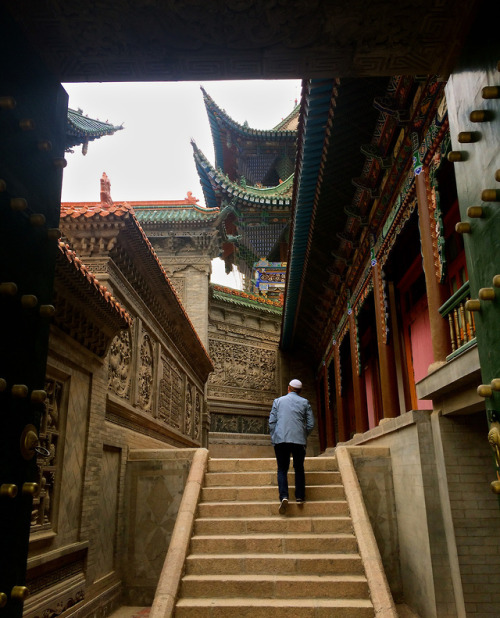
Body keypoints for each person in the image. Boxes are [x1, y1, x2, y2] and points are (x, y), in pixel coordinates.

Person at [269, 379, 315, 514]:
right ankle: (300, 496)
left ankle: (284, 496)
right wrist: (302, 434)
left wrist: (275, 437)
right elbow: (311, 424)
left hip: (281, 440)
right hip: (299, 441)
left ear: (288, 388)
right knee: (299, 468)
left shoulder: (278, 401)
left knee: (282, 469)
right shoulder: (305, 402)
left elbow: (272, 422)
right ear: (300, 391)